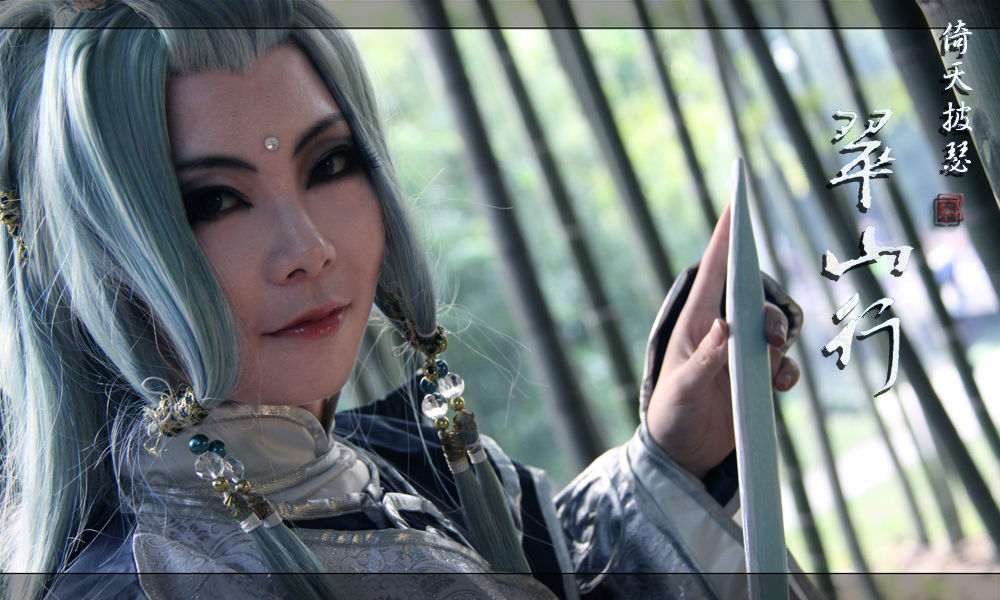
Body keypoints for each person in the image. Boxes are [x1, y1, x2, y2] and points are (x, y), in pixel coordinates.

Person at [0, 1, 811, 598]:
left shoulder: (413, 465)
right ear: (106, 263)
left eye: (328, 164)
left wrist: (673, 458)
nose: (309, 247)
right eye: (214, 201)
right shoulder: (142, 581)